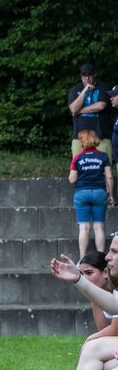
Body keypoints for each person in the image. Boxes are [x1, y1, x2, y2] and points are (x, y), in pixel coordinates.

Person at [69, 129, 113, 259]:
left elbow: (72, 179)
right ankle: (100, 259)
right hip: (99, 193)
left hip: (82, 193)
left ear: (82, 142)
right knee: (99, 227)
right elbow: (109, 177)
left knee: (84, 227)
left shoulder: (77, 157)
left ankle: (82, 259)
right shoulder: (103, 156)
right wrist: (110, 194)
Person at [69, 63, 113, 159]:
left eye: (89, 75)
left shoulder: (103, 87)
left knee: (105, 167)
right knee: (78, 168)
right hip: (79, 136)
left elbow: (100, 106)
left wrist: (79, 111)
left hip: (101, 135)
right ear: (81, 76)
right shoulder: (75, 89)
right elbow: (73, 109)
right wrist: (84, 91)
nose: (87, 78)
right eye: (84, 75)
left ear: (94, 75)